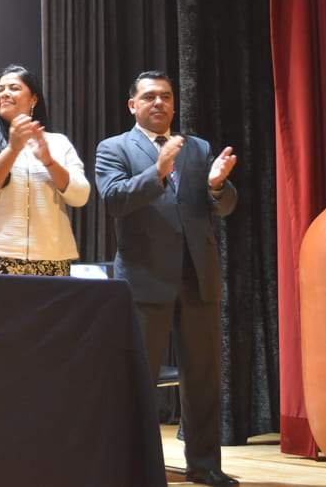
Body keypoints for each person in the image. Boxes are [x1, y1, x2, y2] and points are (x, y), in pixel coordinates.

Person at [94, 70, 238, 487]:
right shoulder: (114, 148)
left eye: (167, 96)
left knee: (204, 377)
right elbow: (115, 199)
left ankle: (205, 465)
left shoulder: (198, 148)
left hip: (198, 276)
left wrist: (217, 186)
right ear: (132, 105)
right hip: (145, 277)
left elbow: (223, 206)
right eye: (150, 96)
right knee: (140, 378)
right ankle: (134, 465)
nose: (159, 103)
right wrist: (157, 170)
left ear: (174, 104)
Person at [0, 65, 89, 276]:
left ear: (33, 99)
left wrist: (48, 161)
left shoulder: (58, 143)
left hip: (51, 257)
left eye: (14, 88)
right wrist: (13, 148)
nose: (5, 93)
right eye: (0, 89)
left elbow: (80, 196)